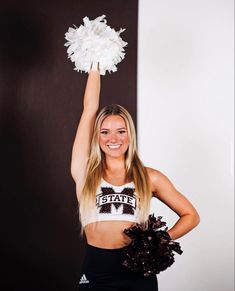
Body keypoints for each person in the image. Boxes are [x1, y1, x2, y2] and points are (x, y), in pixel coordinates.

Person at [70, 63, 200, 291]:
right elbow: (89, 109)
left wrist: (159, 242)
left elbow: (191, 215)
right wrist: (95, 62)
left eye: (121, 131)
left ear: (130, 134)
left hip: (137, 273)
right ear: (97, 137)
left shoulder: (150, 177)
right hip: (96, 272)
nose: (114, 138)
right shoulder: (85, 172)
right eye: (105, 132)